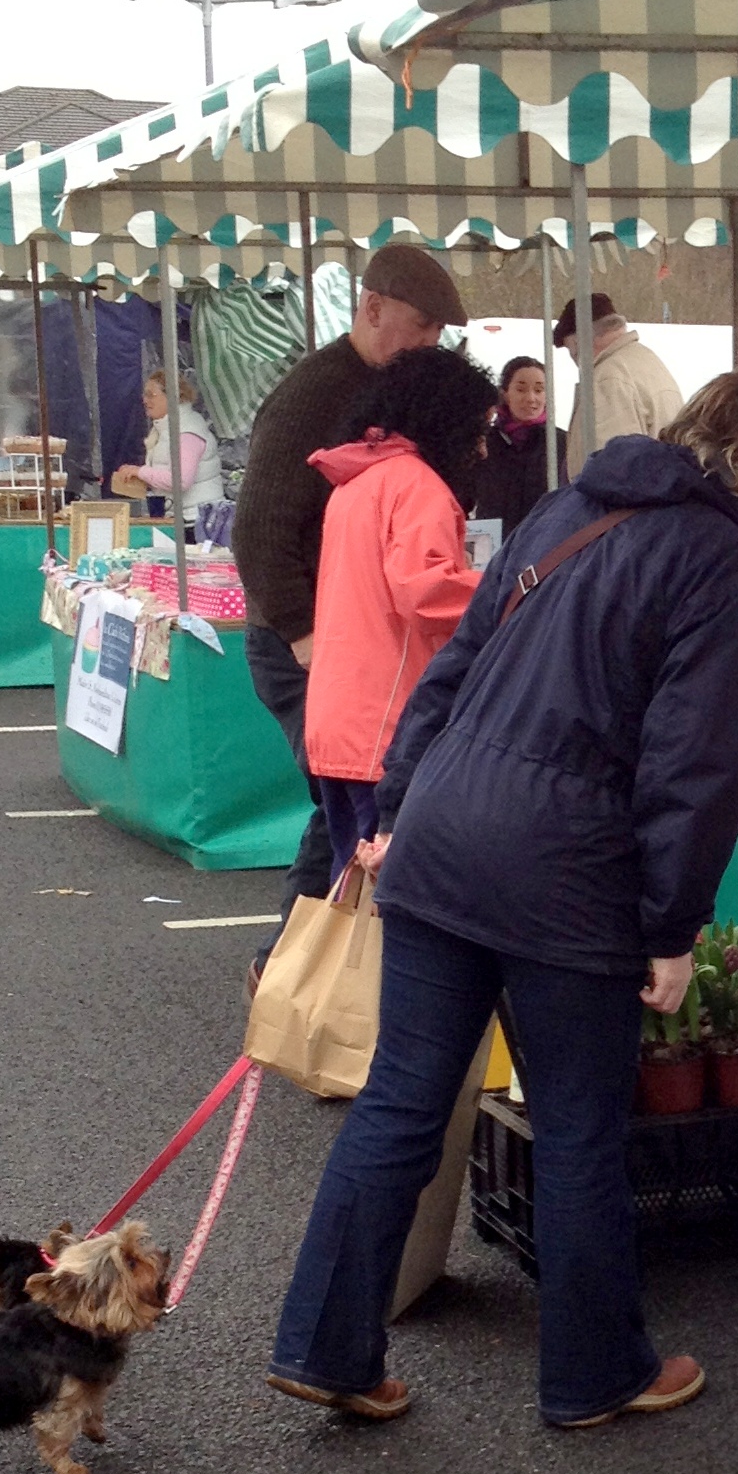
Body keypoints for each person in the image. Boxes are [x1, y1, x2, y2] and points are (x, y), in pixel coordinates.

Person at [267, 365, 738, 1431]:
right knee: (579, 1128)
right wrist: (671, 926)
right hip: (569, 871)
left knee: (400, 1102)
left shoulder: (570, 506)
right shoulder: (719, 565)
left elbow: (454, 670)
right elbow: (693, 767)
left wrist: (398, 806)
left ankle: (325, 1347)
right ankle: (593, 1373)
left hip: (447, 834)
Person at [230, 242, 470, 990]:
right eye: (422, 327)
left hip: (334, 637)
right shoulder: (316, 393)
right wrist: (303, 633)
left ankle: (296, 969)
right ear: (371, 309)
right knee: (349, 802)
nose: (430, 344)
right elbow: (258, 527)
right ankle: (293, 970)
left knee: (340, 803)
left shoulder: (364, 395)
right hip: (307, 639)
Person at [304, 347, 493, 881]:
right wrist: (511, 589)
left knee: (350, 884)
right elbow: (426, 592)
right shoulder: (417, 485)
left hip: (339, 714)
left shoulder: (357, 481)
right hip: (387, 721)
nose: (482, 448)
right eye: (478, 430)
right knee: (391, 890)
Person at [554, 293, 683, 477]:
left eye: (571, 350)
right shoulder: (647, 361)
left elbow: (610, 473)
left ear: (579, 341)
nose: (575, 361)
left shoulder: (608, 379)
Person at [111, 366, 225, 516]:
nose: (144, 400)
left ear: (171, 396)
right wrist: (137, 474)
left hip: (198, 519)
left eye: (151, 395)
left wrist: (140, 472)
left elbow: (180, 480)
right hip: (184, 515)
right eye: (144, 395)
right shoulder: (167, 429)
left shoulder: (187, 432)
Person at [475, 354, 555, 538]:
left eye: (539, 390)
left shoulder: (559, 442)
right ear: (504, 393)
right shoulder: (484, 441)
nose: (531, 398)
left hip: (544, 543)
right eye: (521, 389)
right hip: (491, 543)